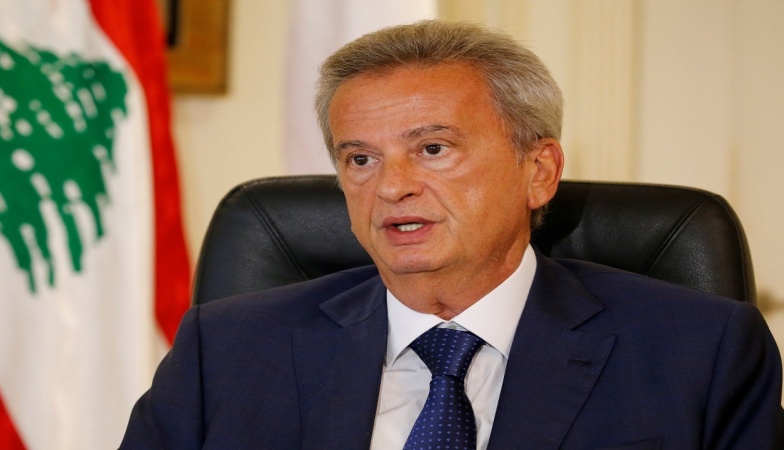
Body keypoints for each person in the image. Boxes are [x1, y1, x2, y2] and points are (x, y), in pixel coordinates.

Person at [120, 20, 782, 449]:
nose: (391, 187)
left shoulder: (700, 352)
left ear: (539, 171)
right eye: (360, 158)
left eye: (432, 149)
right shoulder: (226, 351)